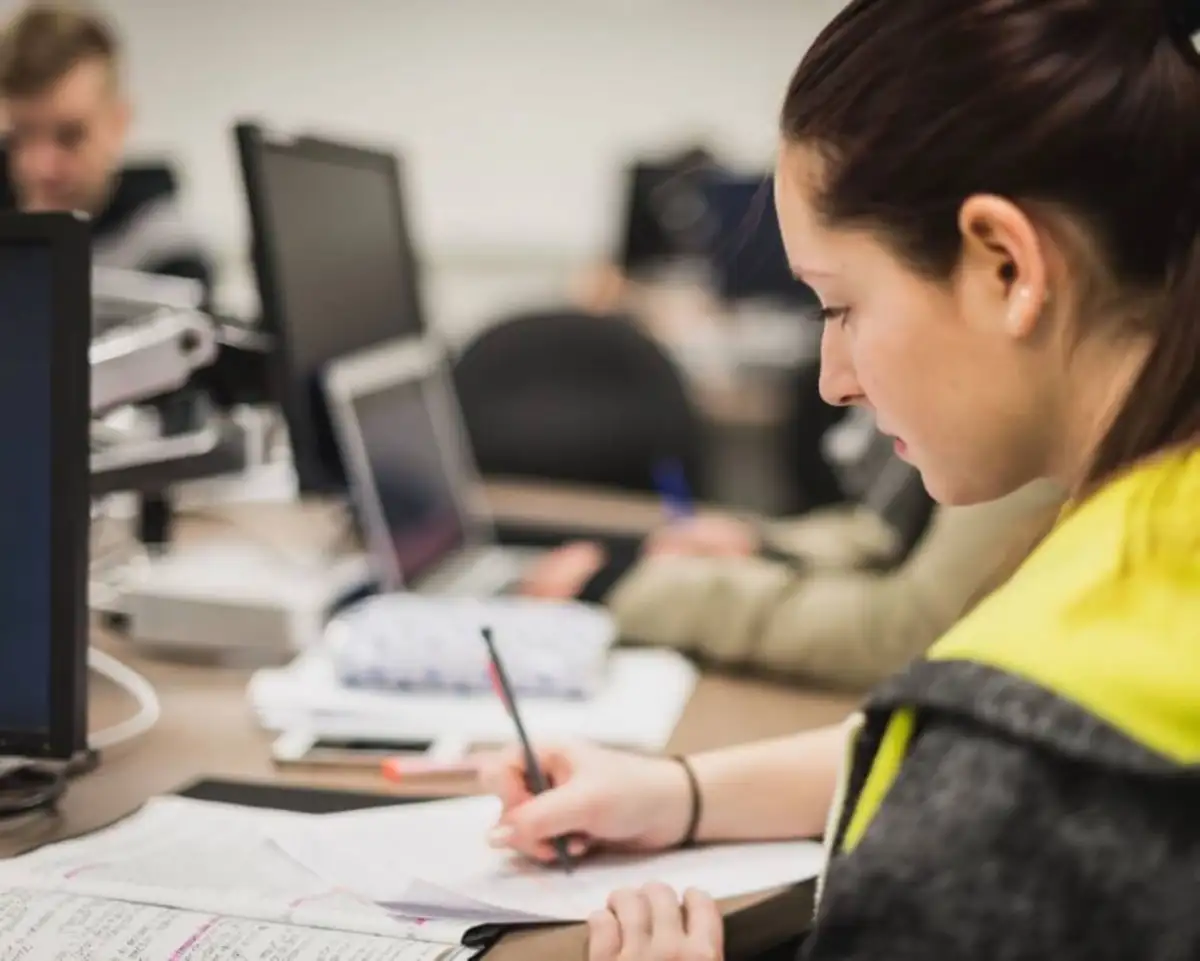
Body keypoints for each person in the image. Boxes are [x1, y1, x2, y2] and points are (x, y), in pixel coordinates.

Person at [479, 1, 1200, 958]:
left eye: (841, 304)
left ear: (1005, 265)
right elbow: (961, 754)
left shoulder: (1018, 769)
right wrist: (684, 792)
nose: (833, 379)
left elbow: (995, 766)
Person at [522, 471, 1063, 691]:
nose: (833, 379)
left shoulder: (1031, 440)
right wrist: (761, 545)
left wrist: (627, 587)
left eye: (845, 309)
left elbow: (902, 631)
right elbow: (888, 533)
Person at [0, 3, 214, 302]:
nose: (41, 167)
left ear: (118, 123)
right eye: (20, 135)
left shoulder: (171, 261)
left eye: (70, 136)